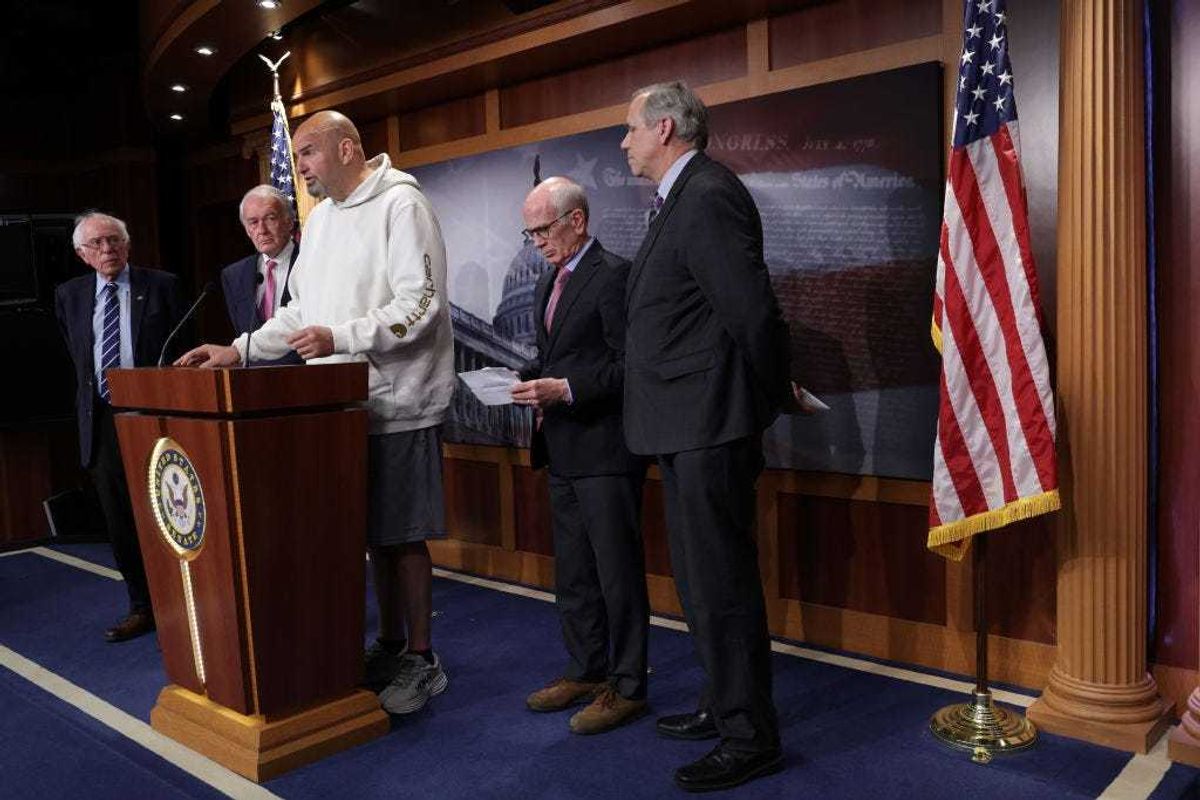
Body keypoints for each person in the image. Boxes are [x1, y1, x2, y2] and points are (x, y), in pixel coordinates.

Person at [176, 110, 456, 715]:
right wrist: (239, 348)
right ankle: (387, 643)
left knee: (403, 535)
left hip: (398, 400)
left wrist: (344, 336)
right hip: (338, 407)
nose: (299, 168)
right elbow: (300, 311)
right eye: (297, 155)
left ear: (348, 149)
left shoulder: (402, 205)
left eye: (308, 153)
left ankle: (423, 658)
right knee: (372, 535)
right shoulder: (323, 218)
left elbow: (424, 304)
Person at [620, 81, 791, 791]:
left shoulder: (710, 194)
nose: (623, 141)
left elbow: (750, 311)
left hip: (709, 424)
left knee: (720, 584)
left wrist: (773, 395)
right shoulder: (679, 200)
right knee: (697, 582)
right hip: (682, 424)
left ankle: (750, 736)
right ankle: (722, 705)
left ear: (664, 128)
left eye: (629, 129)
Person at [510, 177, 649, 735]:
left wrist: (564, 388)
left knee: (617, 574)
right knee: (575, 574)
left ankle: (631, 683)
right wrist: (522, 381)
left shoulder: (613, 276)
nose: (536, 241)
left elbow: (627, 368)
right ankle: (587, 669)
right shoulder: (551, 280)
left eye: (543, 228)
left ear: (577, 221)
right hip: (563, 449)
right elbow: (558, 355)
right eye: (530, 231)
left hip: (607, 449)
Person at [54, 212, 187, 642]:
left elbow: (184, 352)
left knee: (170, 512)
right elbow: (78, 359)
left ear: (128, 246)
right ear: (82, 255)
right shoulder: (69, 296)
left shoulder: (163, 286)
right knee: (120, 520)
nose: (107, 249)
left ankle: (185, 602)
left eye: (114, 241)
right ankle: (142, 606)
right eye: (97, 244)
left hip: (156, 416)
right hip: (102, 421)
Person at [219, 184, 302, 365]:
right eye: (253, 222)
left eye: (270, 218)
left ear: (289, 221)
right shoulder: (234, 276)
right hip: (255, 381)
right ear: (247, 230)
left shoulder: (308, 261)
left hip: (306, 376)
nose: (262, 230)